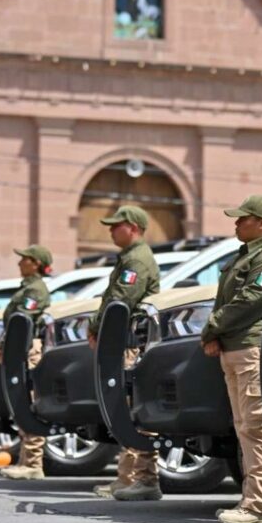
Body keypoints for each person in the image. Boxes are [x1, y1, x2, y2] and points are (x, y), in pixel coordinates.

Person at [201, 195, 262, 523]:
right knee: (246, 428)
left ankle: (259, 507)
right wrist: (216, 335)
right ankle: (253, 502)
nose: (236, 223)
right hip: (236, 347)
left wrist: (212, 327)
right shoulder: (251, 253)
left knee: (257, 428)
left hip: (251, 349)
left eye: (243, 218)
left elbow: (251, 300)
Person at [87, 205, 162, 502]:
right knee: (124, 411)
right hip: (124, 341)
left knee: (132, 413)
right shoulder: (129, 259)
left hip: (131, 343)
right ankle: (128, 477)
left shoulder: (137, 261)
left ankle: (144, 479)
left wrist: (95, 326)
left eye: (115, 225)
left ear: (132, 227)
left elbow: (121, 300)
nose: (110, 230)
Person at [0, 245, 53, 481]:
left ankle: (33, 463)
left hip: (28, 348)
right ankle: (25, 460)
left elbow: (22, 321)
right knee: (21, 404)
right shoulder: (27, 288)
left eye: (25, 260)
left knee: (29, 402)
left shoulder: (35, 290)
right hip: (21, 347)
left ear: (36, 263)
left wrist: (4, 347)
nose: (20, 263)